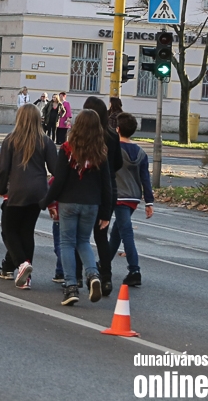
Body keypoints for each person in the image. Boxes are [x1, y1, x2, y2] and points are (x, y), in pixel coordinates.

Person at [0, 104, 59, 290]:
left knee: (9, 231)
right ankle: (26, 278)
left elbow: (3, 169)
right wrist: (52, 197)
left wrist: (1, 188)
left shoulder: (11, 139)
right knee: (27, 232)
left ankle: (22, 264)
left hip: (16, 191)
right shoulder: (46, 141)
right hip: (38, 192)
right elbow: (56, 170)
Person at [40, 109, 113, 306]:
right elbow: (107, 184)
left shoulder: (67, 149)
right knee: (83, 242)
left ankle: (71, 286)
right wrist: (106, 212)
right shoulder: (101, 152)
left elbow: (59, 181)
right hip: (92, 204)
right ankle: (93, 275)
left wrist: (46, 201)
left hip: (69, 202)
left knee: (67, 243)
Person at [83, 96, 124, 298]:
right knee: (101, 236)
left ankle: (75, 275)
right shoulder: (112, 135)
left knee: (80, 236)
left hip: (88, 189)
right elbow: (118, 163)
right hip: (109, 189)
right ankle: (106, 277)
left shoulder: (84, 136)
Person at [109, 112, 154, 288]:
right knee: (117, 232)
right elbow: (145, 179)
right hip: (133, 197)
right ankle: (104, 262)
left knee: (126, 232)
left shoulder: (114, 149)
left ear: (117, 129)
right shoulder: (141, 153)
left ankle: (134, 270)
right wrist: (149, 202)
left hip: (119, 195)